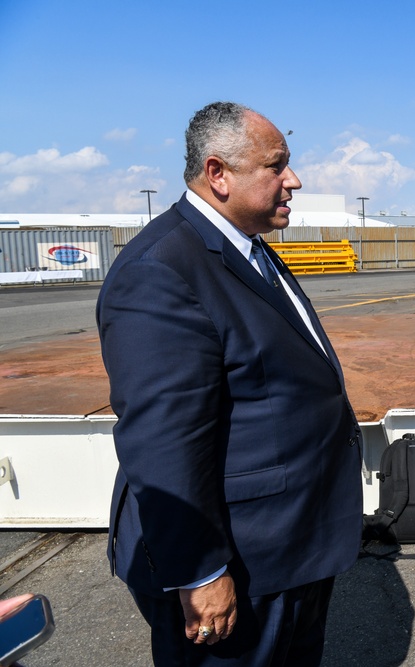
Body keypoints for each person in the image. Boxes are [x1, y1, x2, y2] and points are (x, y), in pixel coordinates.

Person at [97, 101, 362, 666]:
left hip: (290, 543)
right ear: (218, 174)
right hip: (239, 559)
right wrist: (202, 571)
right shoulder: (162, 269)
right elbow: (164, 437)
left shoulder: (245, 247)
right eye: (276, 165)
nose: (294, 180)